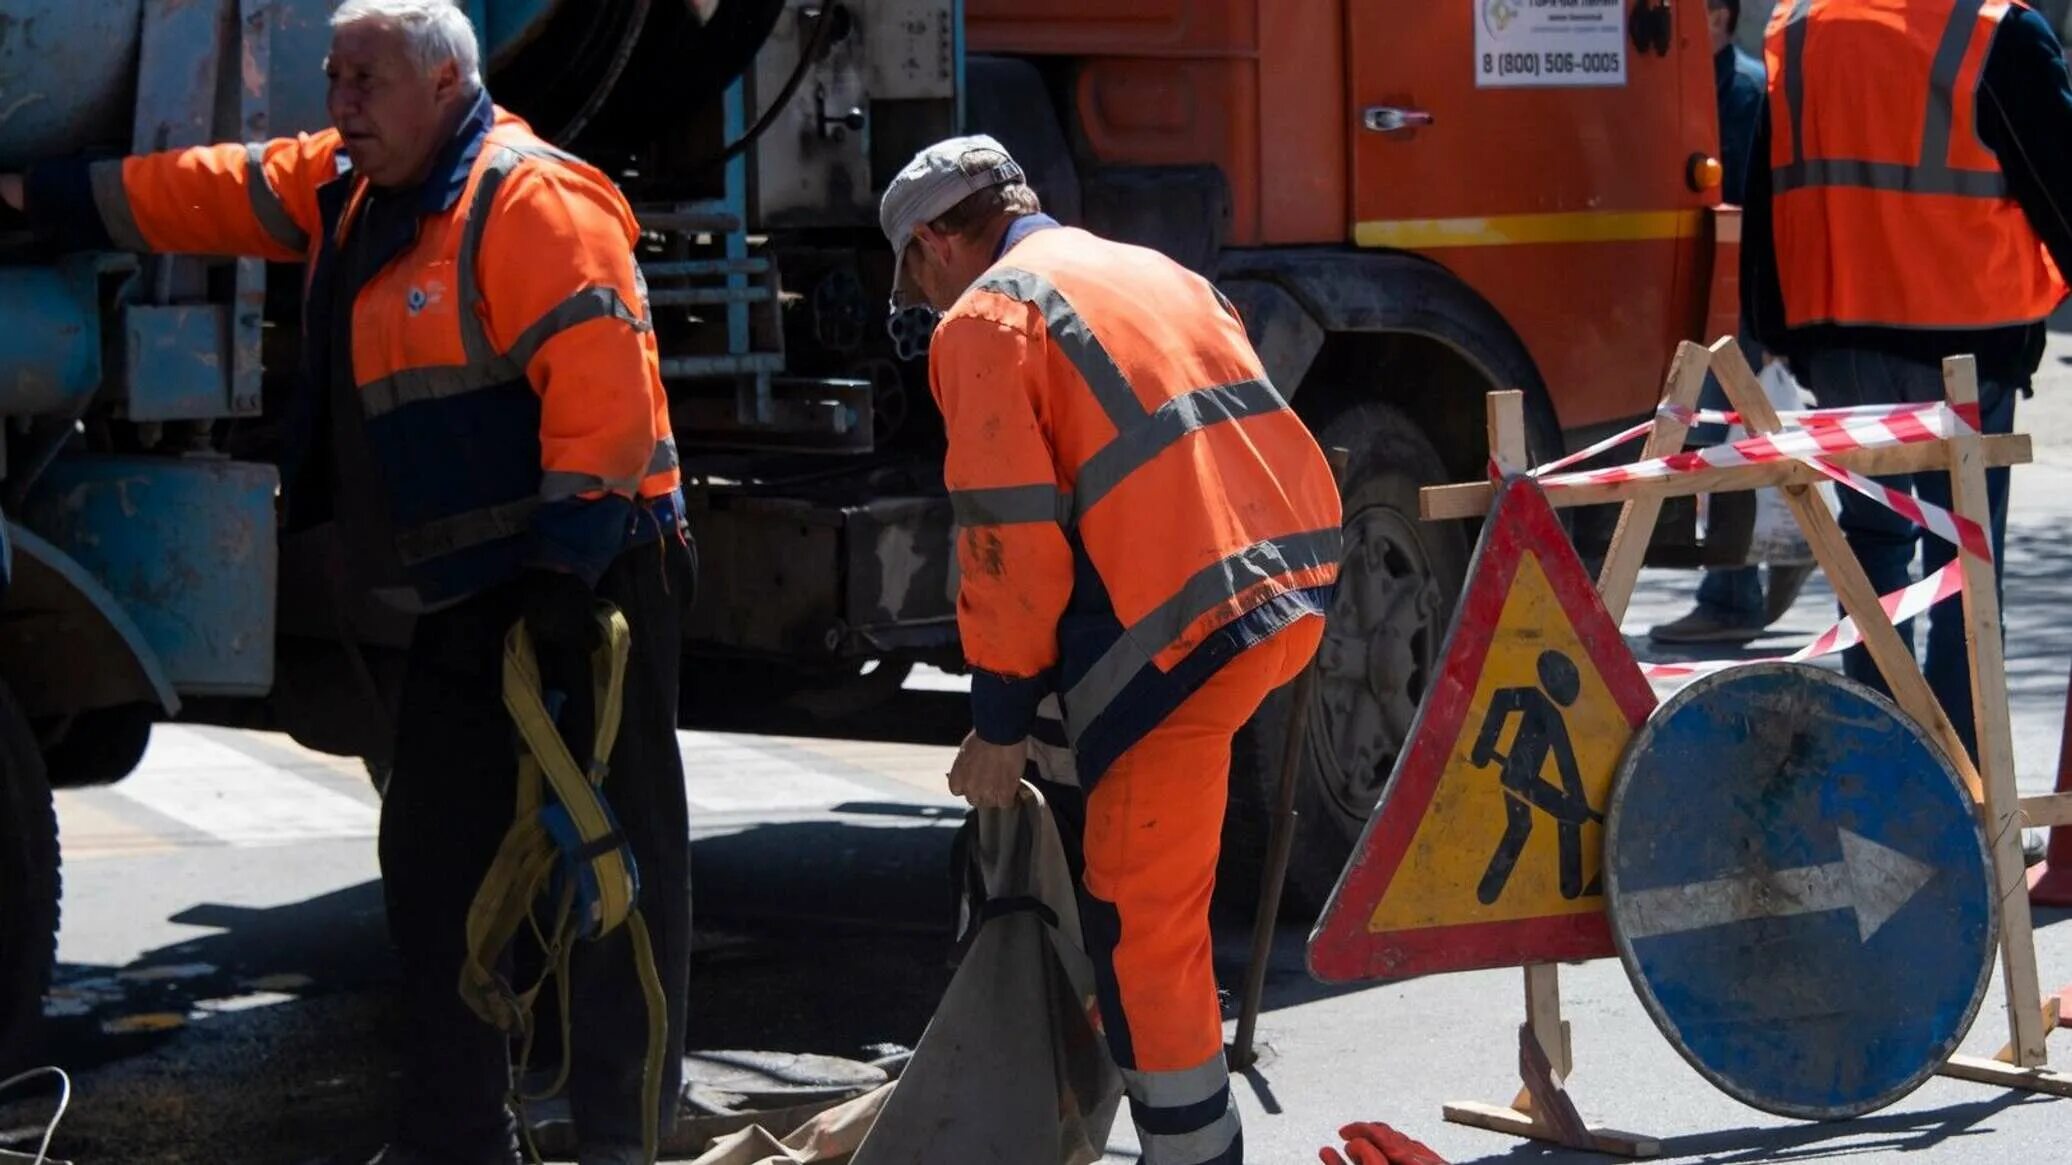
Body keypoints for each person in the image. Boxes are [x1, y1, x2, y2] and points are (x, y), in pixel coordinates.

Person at [3, 2, 694, 1161]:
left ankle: (617, 1139)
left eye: (365, 81)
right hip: (473, 595)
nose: (340, 104)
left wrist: (563, 579)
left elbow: (605, 392)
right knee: (436, 865)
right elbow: (215, 188)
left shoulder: (531, 201)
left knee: (611, 872)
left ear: (442, 86)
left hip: (591, 579)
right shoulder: (350, 186)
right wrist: (51, 198)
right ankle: (456, 1131)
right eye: (332, 78)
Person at [881, 135, 1341, 1165]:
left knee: (1142, 928)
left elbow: (1009, 550)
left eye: (910, 271)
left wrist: (1000, 724)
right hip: (1281, 589)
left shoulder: (986, 318)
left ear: (932, 244)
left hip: (1182, 630)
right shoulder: (1146, 269)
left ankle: (1192, 1152)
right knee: (1140, 880)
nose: (919, 297)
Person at [1743, 0, 2072, 763]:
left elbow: (1767, 187)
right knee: (1961, 572)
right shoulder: (1993, 29)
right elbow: (2060, 182)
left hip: (1843, 334)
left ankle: (1887, 782)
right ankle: (1969, 791)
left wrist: (1772, 328)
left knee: (1871, 572)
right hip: (1968, 343)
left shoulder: (1799, 27)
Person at [1650, 0, 1815, 645]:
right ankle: (1775, 563)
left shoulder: (1741, 90)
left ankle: (1733, 594)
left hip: (1736, 302)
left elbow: (1751, 215)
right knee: (1731, 444)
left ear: (1718, 18)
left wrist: (1764, 323)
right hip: (1712, 298)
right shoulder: (1704, 88)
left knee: (1729, 448)